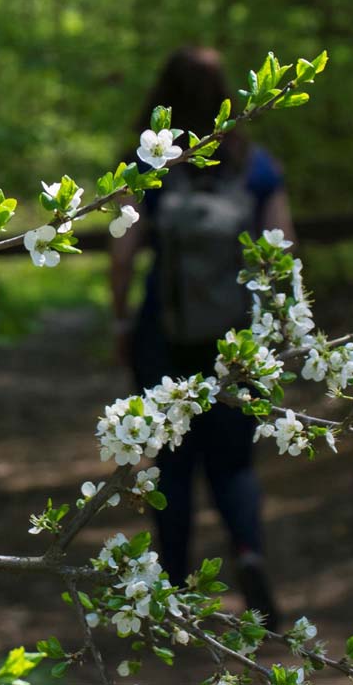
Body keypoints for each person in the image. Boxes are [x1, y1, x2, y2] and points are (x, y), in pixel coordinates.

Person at [109, 46, 293, 629]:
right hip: (238, 340)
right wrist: (279, 328)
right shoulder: (254, 165)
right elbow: (281, 254)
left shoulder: (148, 164)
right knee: (234, 463)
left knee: (171, 461)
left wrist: (121, 321)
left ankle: (171, 591)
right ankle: (250, 554)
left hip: (164, 334)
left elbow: (122, 254)